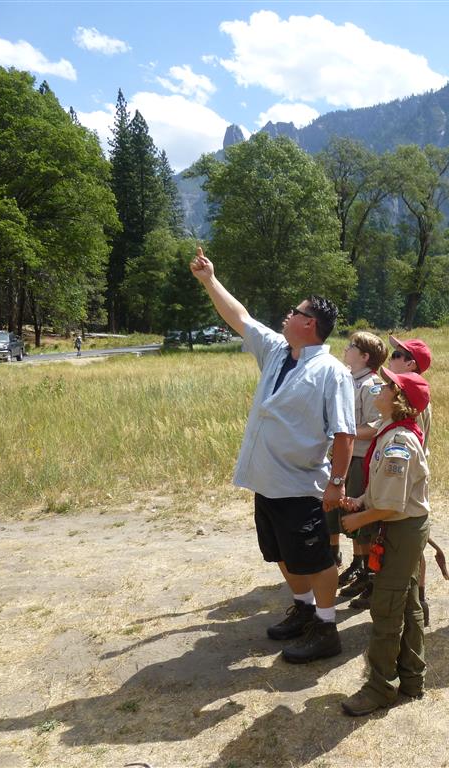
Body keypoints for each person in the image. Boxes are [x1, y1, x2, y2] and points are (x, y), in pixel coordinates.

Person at [190, 246, 356, 663]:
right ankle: (303, 609)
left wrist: (337, 484)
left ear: (310, 323)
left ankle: (326, 628)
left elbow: (344, 434)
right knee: (281, 553)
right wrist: (210, 280)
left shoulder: (331, 372)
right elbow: (240, 317)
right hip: (266, 480)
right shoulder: (278, 351)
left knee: (316, 558)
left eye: (294, 311)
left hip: (301, 484)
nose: (286, 315)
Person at [340, 368, 431, 716]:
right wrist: (361, 500)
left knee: (387, 608)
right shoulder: (389, 432)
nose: (381, 387)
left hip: (401, 528)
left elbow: (393, 505)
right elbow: (383, 489)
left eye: (389, 386)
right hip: (400, 526)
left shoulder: (398, 443)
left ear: (400, 400)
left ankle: (380, 687)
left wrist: (359, 519)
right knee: (407, 602)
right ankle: (412, 677)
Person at [331, 332, 387, 588]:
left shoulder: (371, 385)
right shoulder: (347, 379)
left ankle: (366, 570)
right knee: (344, 509)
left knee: (357, 511)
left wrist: (345, 433)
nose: (346, 348)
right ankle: (356, 562)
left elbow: (375, 425)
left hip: (359, 457)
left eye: (352, 346)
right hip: (343, 455)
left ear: (365, 356)